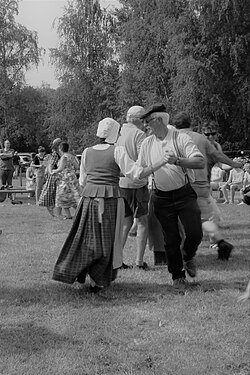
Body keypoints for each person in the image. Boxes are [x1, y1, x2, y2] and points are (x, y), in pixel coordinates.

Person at [52, 117, 171, 293]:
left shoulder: (87, 151)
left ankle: (82, 273)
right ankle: (97, 280)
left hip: (88, 201)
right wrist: (162, 161)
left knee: (86, 239)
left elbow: (83, 180)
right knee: (107, 240)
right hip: (109, 201)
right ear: (114, 134)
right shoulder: (118, 151)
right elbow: (136, 174)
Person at [138, 104, 205, 287]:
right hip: (161, 197)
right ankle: (178, 277)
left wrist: (178, 160)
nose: (145, 125)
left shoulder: (180, 137)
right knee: (171, 239)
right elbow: (141, 168)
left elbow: (200, 161)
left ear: (159, 120)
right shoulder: (147, 143)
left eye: (147, 121)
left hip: (184, 194)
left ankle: (188, 255)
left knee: (195, 233)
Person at [173, 111, 243, 260]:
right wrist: (235, 163)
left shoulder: (173, 138)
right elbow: (218, 156)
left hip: (183, 185)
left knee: (180, 220)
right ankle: (220, 242)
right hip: (202, 185)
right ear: (191, 124)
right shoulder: (201, 139)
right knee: (205, 218)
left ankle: (184, 252)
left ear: (175, 125)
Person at [116, 105, 149, 270]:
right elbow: (143, 159)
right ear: (140, 120)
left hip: (121, 184)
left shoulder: (118, 134)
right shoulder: (139, 134)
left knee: (124, 223)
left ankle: (117, 260)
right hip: (137, 184)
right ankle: (139, 261)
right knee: (142, 222)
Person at [51, 141, 81, 219]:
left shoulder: (64, 157)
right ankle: (69, 215)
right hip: (72, 177)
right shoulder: (72, 156)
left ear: (61, 148)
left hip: (65, 179)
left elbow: (61, 168)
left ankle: (74, 214)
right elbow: (77, 166)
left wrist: (53, 171)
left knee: (63, 197)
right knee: (73, 196)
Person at [38, 138, 62, 217]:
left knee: (58, 195)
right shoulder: (55, 154)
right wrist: (51, 172)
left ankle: (57, 213)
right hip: (55, 176)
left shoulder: (59, 153)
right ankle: (53, 212)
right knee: (52, 194)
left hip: (58, 175)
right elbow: (51, 165)